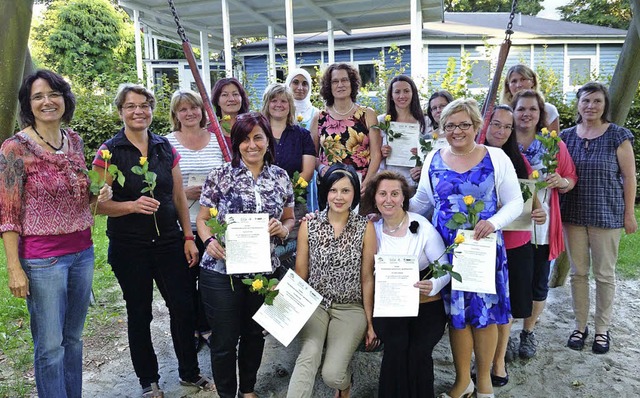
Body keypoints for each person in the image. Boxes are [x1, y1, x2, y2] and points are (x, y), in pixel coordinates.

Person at [93, 84, 214, 397]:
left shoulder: (164, 147)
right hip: (129, 246)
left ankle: (189, 372)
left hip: (169, 242)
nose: (138, 111)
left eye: (144, 105)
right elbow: (95, 204)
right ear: (120, 111)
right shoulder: (108, 152)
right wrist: (130, 205)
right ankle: (149, 381)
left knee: (183, 307)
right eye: (131, 106)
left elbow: (177, 195)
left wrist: (188, 237)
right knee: (140, 312)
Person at [0, 70, 111, 398]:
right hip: (42, 261)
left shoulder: (74, 140)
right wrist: (14, 268)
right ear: (28, 105)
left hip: (83, 253)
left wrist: (98, 195)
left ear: (65, 99)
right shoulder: (14, 148)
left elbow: (83, 198)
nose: (47, 101)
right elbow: (7, 214)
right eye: (38, 96)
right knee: (49, 346)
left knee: (73, 339)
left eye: (54, 94)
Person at [410, 98, 523, 398]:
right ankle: (463, 381)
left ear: (476, 126)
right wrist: (390, 212)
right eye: (449, 126)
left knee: (483, 315)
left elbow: (515, 202)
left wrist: (495, 223)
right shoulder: (433, 158)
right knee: (456, 317)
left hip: (481, 248)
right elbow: (422, 202)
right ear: (441, 128)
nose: (456, 131)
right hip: (445, 249)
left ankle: (483, 380)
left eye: (463, 124)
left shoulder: (495, 157)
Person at [196, 112, 295, 398]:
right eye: (244, 139)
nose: (251, 145)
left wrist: (282, 228)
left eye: (258, 138)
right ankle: (227, 394)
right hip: (220, 269)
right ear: (236, 142)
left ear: (267, 140)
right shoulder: (220, 175)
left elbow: (289, 219)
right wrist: (208, 240)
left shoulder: (280, 177)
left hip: (263, 270)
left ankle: (248, 390)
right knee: (225, 339)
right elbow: (202, 218)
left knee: (254, 333)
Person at [287, 163, 378, 398]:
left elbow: (367, 278)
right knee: (309, 353)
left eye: (346, 191)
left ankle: (345, 384)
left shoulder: (365, 227)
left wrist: (370, 322)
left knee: (332, 374)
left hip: (350, 307)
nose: (339, 197)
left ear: (354, 194)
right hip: (315, 303)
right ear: (325, 192)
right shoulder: (310, 224)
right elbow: (301, 273)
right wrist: (281, 296)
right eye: (333, 190)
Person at [560, 82, 637, 354]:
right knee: (578, 273)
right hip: (573, 214)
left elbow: (629, 177)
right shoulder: (565, 136)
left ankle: (602, 330)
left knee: (604, 275)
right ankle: (580, 326)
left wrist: (629, 214)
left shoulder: (618, 135)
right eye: (586, 101)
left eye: (596, 101)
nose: (591, 106)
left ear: (605, 106)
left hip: (607, 213)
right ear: (578, 104)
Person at [361, 171, 449, 398]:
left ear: (403, 198)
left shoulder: (422, 225)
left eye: (394, 193)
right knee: (396, 348)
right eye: (382, 194)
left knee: (419, 350)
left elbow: (445, 268)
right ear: (375, 198)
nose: (388, 199)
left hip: (426, 303)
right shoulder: (372, 229)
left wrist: (433, 283)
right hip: (390, 305)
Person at [483, 105, 547, 385]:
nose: (500, 131)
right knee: (484, 305)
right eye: (495, 124)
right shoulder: (472, 156)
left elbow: (534, 204)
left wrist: (540, 211)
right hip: (483, 241)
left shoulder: (520, 161)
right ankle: (483, 360)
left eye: (507, 127)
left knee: (506, 307)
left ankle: (498, 363)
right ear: (484, 124)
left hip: (515, 242)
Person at [512, 89, 577, 360]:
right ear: (513, 112)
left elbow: (570, 177)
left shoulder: (553, 145)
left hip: (541, 224)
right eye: (521, 109)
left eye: (532, 109)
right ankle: (503, 333)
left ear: (541, 114)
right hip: (511, 225)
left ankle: (528, 332)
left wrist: (561, 182)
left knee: (538, 281)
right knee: (511, 282)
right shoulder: (503, 141)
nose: (526, 114)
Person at [166, 89, 224, 351]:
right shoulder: (167, 143)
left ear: (203, 111)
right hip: (181, 225)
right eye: (183, 109)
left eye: (194, 108)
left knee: (210, 280)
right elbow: (159, 183)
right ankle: (190, 329)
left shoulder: (217, 140)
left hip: (213, 225)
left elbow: (229, 175)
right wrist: (180, 192)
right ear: (175, 114)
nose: (189, 113)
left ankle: (207, 326)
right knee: (185, 281)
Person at [261, 83, 316, 268]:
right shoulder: (257, 133)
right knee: (263, 255)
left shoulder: (302, 135)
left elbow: (307, 171)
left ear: (290, 105)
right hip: (260, 206)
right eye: (274, 100)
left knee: (291, 254)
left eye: (283, 101)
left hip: (293, 206)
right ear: (266, 103)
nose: (279, 104)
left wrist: (284, 194)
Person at [312, 63, 382, 193]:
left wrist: (367, 182)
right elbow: (313, 155)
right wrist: (321, 167)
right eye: (335, 81)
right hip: (330, 187)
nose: (340, 85)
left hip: (361, 186)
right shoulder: (319, 117)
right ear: (329, 86)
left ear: (352, 83)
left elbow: (376, 154)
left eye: (344, 80)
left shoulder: (368, 114)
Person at [378, 75, 429, 190]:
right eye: (397, 92)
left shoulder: (425, 121)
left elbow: (433, 152)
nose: (402, 96)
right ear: (391, 96)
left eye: (406, 91)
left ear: (413, 93)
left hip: (416, 183)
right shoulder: (381, 121)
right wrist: (381, 153)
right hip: (388, 183)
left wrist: (422, 153)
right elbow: (373, 154)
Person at [285, 68, 321, 211]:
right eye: (295, 82)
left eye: (305, 83)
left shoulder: (316, 113)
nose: (300, 88)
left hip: (308, 170)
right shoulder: (282, 111)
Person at [501, 64, 560, 132]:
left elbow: (553, 141)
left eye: (523, 79)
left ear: (532, 82)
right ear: (508, 86)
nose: (519, 85)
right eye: (514, 81)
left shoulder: (549, 110)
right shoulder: (503, 112)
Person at [211, 77, 250, 149]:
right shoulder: (210, 132)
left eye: (235, 94)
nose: (231, 99)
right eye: (225, 95)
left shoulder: (251, 127)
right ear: (217, 101)